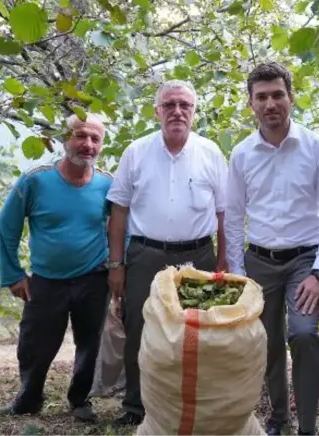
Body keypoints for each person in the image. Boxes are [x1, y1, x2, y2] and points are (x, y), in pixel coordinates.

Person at [224, 62, 319, 436]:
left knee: (304, 335)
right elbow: (232, 217)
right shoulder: (242, 154)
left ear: (290, 98)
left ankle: (308, 426)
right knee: (267, 342)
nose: (270, 103)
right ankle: (280, 419)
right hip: (258, 261)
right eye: (261, 97)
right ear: (251, 104)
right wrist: (239, 276)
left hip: (304, 261)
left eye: (278, 94)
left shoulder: (315, 147)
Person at [106, 79, 228, 426]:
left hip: (199, 257)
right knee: (140, 330)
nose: (177, 111)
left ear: (194, 112)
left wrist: (223, 261)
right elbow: (118, 212)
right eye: (169, 104)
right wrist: (117, 264)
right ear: (157, 111)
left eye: (184, 105)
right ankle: (135, 408)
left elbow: (224, 213)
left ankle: (190, 406)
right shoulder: (136, 152)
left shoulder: (211, 152)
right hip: (146, 255)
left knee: (198, 332)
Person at [0, 113, 113, 422]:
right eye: (80, 136)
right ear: (65, 139)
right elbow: (6, 227)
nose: (87, 145)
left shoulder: (107, 184)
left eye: (95, 139)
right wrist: (13, 274)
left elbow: (122, 229)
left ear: (101, 145)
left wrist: (118, 269)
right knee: (34, 343)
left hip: (94, 278)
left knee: (91, 342)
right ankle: (29, 398)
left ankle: (80, 400)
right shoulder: (35, 179)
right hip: (46, 280)